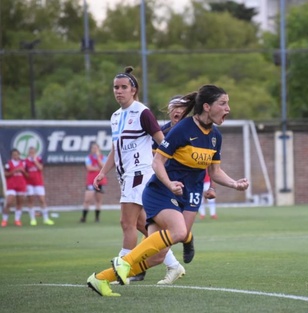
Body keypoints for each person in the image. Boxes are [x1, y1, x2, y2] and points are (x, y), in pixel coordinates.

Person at [87, 84, 249, 296]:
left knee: (157, 256)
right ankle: (124, 262)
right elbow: (157, 163)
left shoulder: (216, 136)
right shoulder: (182, 129)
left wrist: (235, 184)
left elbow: (215, 171)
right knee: (180, 232)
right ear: (207, 106)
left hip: (189, 194)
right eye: (223, 103)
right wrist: (170, 184)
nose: (228, 108)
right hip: (161, 190)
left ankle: (100, 279)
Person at [91, 66, 164, 281]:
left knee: (126, 223)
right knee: (143, 225)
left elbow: (162, 142)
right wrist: (102, 172)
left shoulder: (143, 112)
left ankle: (122, 269)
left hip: (140, 173)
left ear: (134, 90)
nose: (118, 91)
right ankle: (171, 263)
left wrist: (166, 168)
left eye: (123, 87)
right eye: (116, 87)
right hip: (126, 176)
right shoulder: (115, 116)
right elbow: (116, 149)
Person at [24, 146, 54, 226]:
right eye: (30, 152)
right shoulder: (25, 161)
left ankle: (46, 219)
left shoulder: (39, 159)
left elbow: (41, 168)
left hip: (39, 183)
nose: (32, 153)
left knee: (42, 200)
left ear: (35, 152)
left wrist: (35, 161)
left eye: (33, 152)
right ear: (28, 153)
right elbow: (25, 172)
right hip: (29, 184)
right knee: (30, 200)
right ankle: (33, 219)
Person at [80, 142, 107, 223]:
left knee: (98, 200)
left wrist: (98, 158)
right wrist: (99, 168)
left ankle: (97, 218)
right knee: (87, 199)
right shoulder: (88, 158)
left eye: (96, 148)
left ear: (99, 149)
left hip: (101, 182)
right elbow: (89, 168)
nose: (94, 149)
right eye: (93, 148)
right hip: (91, 182)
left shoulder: (103, 157)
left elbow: (104, 166)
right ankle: (84, 218)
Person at [2, 149, 27, 227]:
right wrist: (15, 170)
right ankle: (4, 220)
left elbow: (28, 175)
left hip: (21, 185)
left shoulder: (23, 163)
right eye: (14, 155)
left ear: (19, 155)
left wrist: (23, 171)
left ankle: (17, 220)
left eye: (17, 154)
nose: (15, 156)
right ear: (11, 156)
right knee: (9, 202)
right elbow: (6, 174)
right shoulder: (8, 164)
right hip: (11, 185)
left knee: (20, 203)